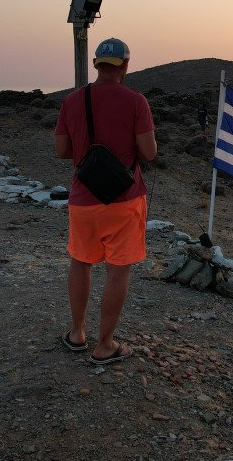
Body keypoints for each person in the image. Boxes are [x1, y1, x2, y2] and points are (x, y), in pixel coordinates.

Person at [54, 37, 157, 364]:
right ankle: (105, 345)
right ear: (125, 65)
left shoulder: (72, 101)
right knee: (117, 271)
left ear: (97, 64)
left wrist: (87, 154)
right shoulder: (136, 101)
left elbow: (61, 150)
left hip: (83, 198)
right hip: (124, 200)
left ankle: (77, 333)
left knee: (80, 263)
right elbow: (149, 152)